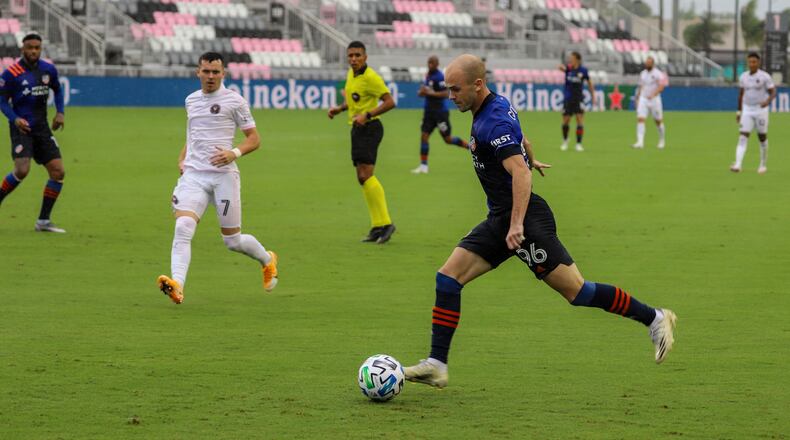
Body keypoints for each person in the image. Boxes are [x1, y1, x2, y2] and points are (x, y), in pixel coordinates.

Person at [403, 55, 677, 388]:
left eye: (455, 89)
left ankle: (655, 317)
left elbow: (519, 173)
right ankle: (437, 364)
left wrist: (518, 222)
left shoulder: (494, 121)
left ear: (477, 85)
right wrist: (529, 155)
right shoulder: (494, 105)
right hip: (502, 218)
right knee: (448, 279)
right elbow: (521, 141)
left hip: (525, 220)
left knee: (578, 291)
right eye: (448, 89)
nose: (451, 96)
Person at [157, 52, 278, 305]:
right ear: (197, 72)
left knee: (232, 241)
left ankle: (267, 260)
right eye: (206, 71)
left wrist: (232, 153)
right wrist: (183, 159)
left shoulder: (235, 101)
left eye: (215, 72)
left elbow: (254, 139)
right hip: (194, 176)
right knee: (183, 227)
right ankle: (177, 284)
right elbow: (193, 135)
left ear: (224, 74)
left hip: (224, 178)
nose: (210, 76)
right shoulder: (191, 100)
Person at [328, 41, 397, 243]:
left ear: (365, 57)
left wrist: (367, 115)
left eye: (358, 55)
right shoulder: (352, 75)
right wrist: (339, 109)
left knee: (365, 175)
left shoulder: (371, 77)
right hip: (358, 129)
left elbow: (390, 102)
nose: (354, 59)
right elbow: (353, 100)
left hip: (370, 128)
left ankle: (385, 223)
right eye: (350, 56)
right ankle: (377, 226)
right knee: (362, 177)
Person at [0, 33, 66, 232]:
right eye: (30, 47)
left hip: (42, 128)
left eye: (37, 47)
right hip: (22, 127)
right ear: (22, 49)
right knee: (22, 170)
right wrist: (15, 119)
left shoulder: (48, 69)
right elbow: (2, 101)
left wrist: (60, 112)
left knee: (58, 172)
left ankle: (43, 221)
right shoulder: (11, 73)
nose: (33, 51)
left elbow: (58, 90)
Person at [412, 55, 467, 174]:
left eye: (432, 63)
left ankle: (468, 146)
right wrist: (421, 93)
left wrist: (430, 93)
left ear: (437, 64)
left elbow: (445, 93)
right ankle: (423, 166)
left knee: (447, 139)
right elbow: (424, 91)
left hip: (440, 113)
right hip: (428, 113)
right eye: (428, 63)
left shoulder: (440, 77)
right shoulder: (428, 75)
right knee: (424, 136)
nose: (430, 65)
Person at [732, 52, 776, 174]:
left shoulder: (764, 77)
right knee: (743, 136)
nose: (752, 64)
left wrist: (767, 101)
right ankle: (738, 164)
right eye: (750, 62)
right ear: (747, 62)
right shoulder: (743, 76)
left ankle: (762, 164)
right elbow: (741, 95)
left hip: (760, 110)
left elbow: (773, 91)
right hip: (747, 109)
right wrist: (739, 111)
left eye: (754, 62)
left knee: (762, 137)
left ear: (758, 63)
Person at [558, 52, 595, 152]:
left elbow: (590, 83)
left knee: (579, 120)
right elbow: (560, 67)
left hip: (579, 99)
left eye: (572, 58)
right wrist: (561, 66)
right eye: (570, 58)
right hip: (568, 99)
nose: (571, 60)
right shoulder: (568, 69)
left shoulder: (583, 71)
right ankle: (565, 141)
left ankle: (578, 144)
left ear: (578, 59)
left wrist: (593, 96)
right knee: (566, 121)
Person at [632, 56, 667, 149]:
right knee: (640, 119)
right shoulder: (642, 74)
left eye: (649, 63)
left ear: (652, 64)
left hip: (654, 100)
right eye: (646, 62)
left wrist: (653, 94)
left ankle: (662, 140)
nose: (647, 64)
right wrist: (637, 98)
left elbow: (662, 86)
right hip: (644, 99)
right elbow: (640, 86)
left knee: (658, 121)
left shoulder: (658, 74)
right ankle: (640, 142)